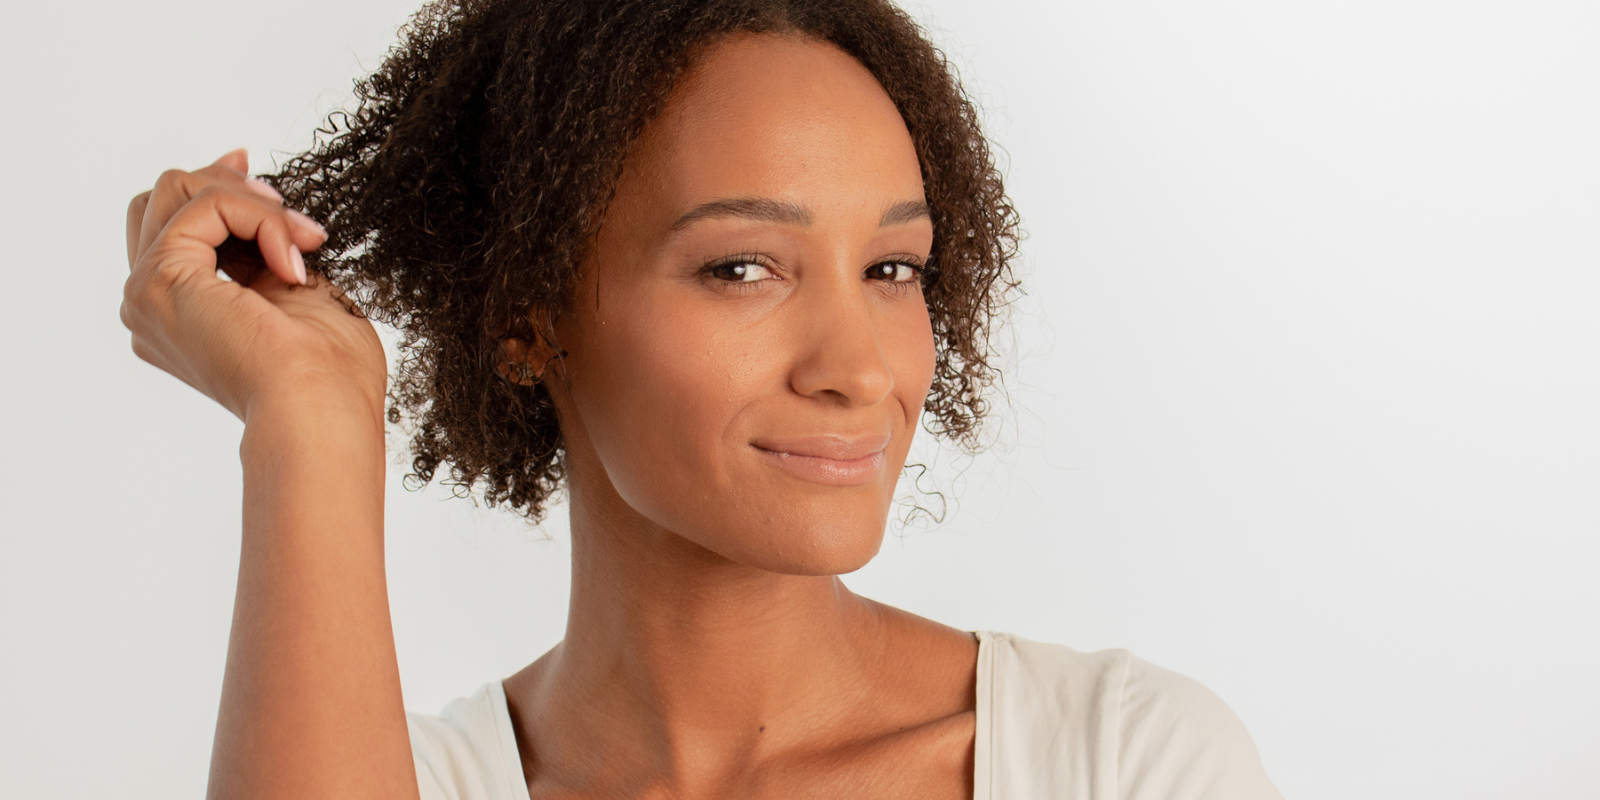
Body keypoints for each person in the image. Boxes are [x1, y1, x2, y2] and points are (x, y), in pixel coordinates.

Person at [120, 0, 1283, 798]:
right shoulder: (386, 772)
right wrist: (310, 420)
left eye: (893, 270)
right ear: (528, 313)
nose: (859, 368)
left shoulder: (1120, 758)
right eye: (742, 267)